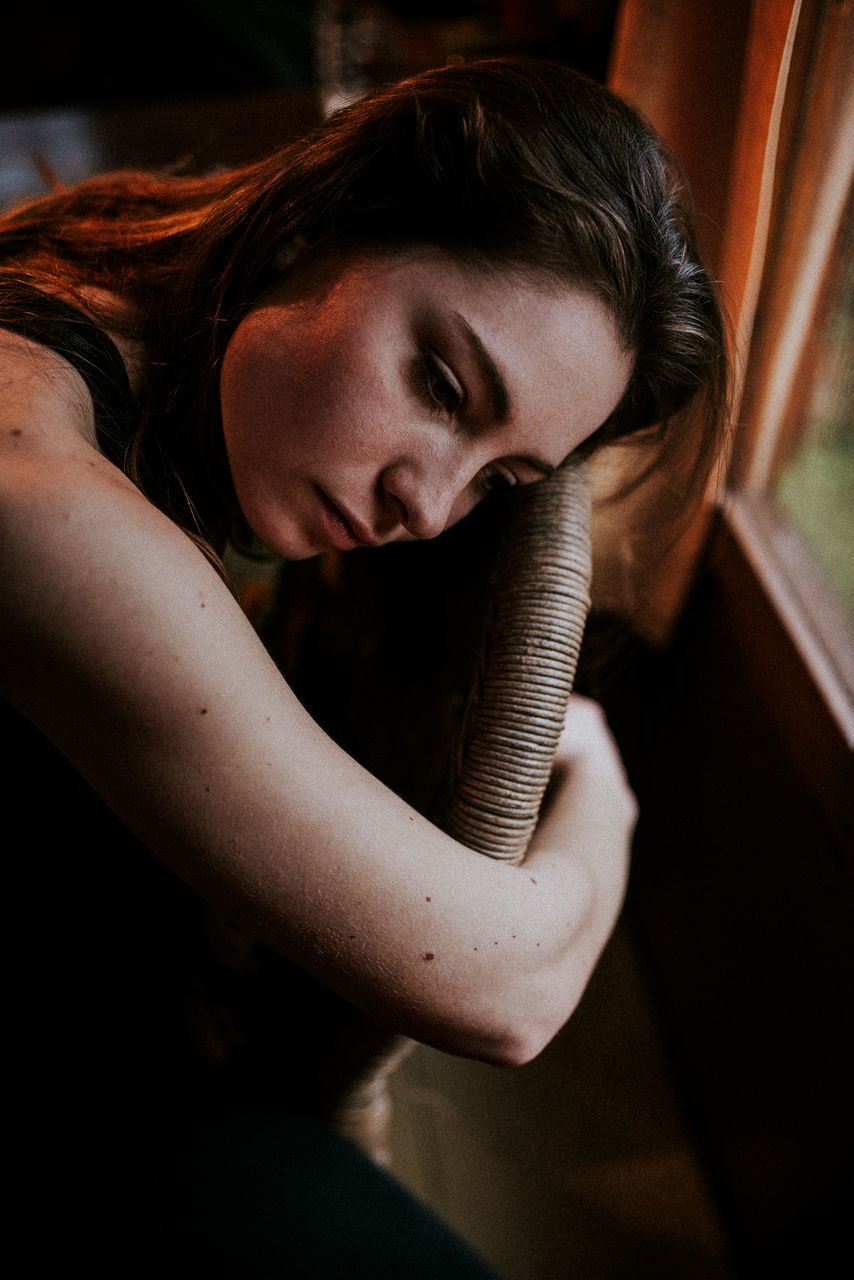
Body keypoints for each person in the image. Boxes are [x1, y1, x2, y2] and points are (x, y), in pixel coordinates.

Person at [0, 57, 727, 1272]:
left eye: (496, 477)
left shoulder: (133, 297)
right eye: (440, 384)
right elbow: (506, 993)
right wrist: (605, 788)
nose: (427, 505)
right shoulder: (39, 490)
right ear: (313, 224)